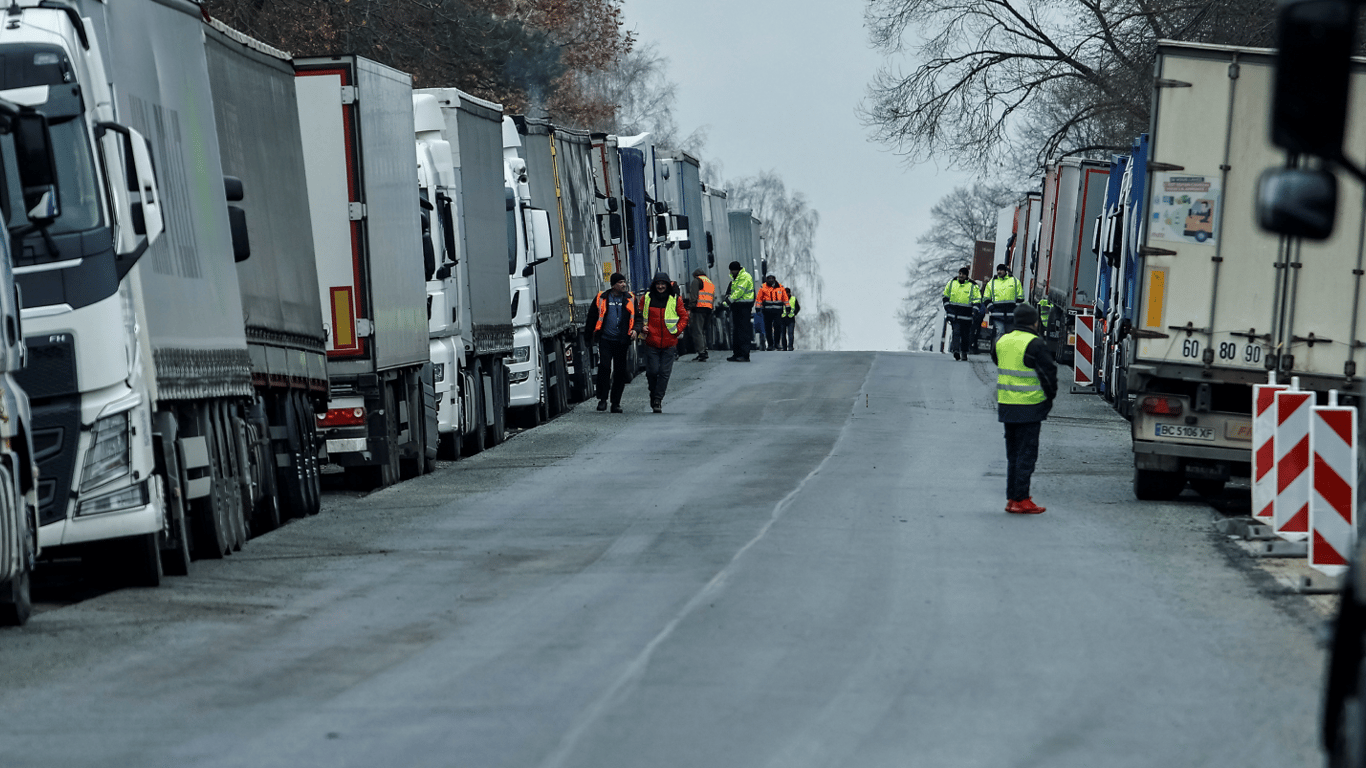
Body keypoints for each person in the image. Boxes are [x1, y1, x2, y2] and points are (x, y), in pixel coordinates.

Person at [992, 303, 1057, 514]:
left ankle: (1012, 498)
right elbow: (1048, 375)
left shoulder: (1001, 341)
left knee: (1013, 456)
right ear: (1034, 322)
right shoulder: (1035, 343)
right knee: (1026, 455)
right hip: (1029, 407)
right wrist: (1048, 400)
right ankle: (1021, 499)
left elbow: (997, 360)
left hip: (1007, 406)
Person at [635, 272, 689, 413]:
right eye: (658, 284)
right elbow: (638, 316)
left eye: (663, 284)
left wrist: (677, 331)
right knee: (652, 372)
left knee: (664, 373)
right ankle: (653, 394)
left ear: (667, 285)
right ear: (654, 285)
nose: (660, 286)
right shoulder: (646, 298)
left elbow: (684, 317)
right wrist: (641, 327)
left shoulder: (675, 299)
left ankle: (658, 400)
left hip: (669, 343)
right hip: (651, 342)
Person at [583, 272, 635, 413]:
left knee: (620, 372)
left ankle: (615, 403)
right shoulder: (602, 298)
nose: (623, 285)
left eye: (624, 282)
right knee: (604, 368)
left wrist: (636, 330)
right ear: (613, 285)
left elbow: (638, 317)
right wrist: (588, 337)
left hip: (622, 341)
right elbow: (592, 318)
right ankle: (602, 399)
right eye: (620, 282)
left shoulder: (630, 298)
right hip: (606, 340)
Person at [941, 267, 981, 361]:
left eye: (962, 274)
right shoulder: (951, 283)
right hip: (954, 314)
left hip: (967, 315)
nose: (960, 275)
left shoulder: (973, 286)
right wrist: (947, 308)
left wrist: (974, 311)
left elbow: (977, 299)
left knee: (965, 335)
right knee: (956, 332)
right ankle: (956, 351)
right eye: (959, 273)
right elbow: (945, 296)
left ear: (967, 275)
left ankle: (964, 352)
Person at [721, 261, 754, 362]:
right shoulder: (736, 278)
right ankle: (737, 354)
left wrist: (727, 302)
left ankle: (744, 355)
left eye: (732, 270)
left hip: (744, 307)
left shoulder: (744, 277)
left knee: (743, 331)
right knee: (736, 331)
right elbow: (732, 291)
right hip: (737, 307)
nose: (731, 272)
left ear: (737, 269)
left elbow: (739, 292)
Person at [984, 263, 1025, 341]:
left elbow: (1021, 297)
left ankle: (1007, 351)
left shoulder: (1014, 281)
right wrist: (991, 308)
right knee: (1000, 332)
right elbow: (986, 298)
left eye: (1001, 270)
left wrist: (1016, 308)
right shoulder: (992, 283)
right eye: (998, 270)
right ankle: (999, 351)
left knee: (1010, 334)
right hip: (997, 314)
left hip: (1011, 314)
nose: (999, 272)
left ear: (1005, 271)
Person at [685, 268, 715, 361]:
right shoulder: (709, 282)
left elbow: (694, 295)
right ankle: (704, 350)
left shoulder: (696, 281)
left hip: (699, 308)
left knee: (697, 331)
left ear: (695, 275)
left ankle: (701, 352)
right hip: (708, 309)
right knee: (703, 331)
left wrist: (690, 307)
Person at [755, 274, 789, 352]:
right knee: (768, 328)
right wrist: (757, 307)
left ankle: (777, 343)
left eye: (772, 278)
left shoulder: (781, 287)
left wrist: (788, 307)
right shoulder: (763, 287)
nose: (770, 280)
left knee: (777, 327)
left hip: (777, 311)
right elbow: (759, 298)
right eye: (769, 278)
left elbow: (785, 298)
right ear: (766, 279)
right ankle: (770, 345)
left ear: (774, 279)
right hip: (767, 311)